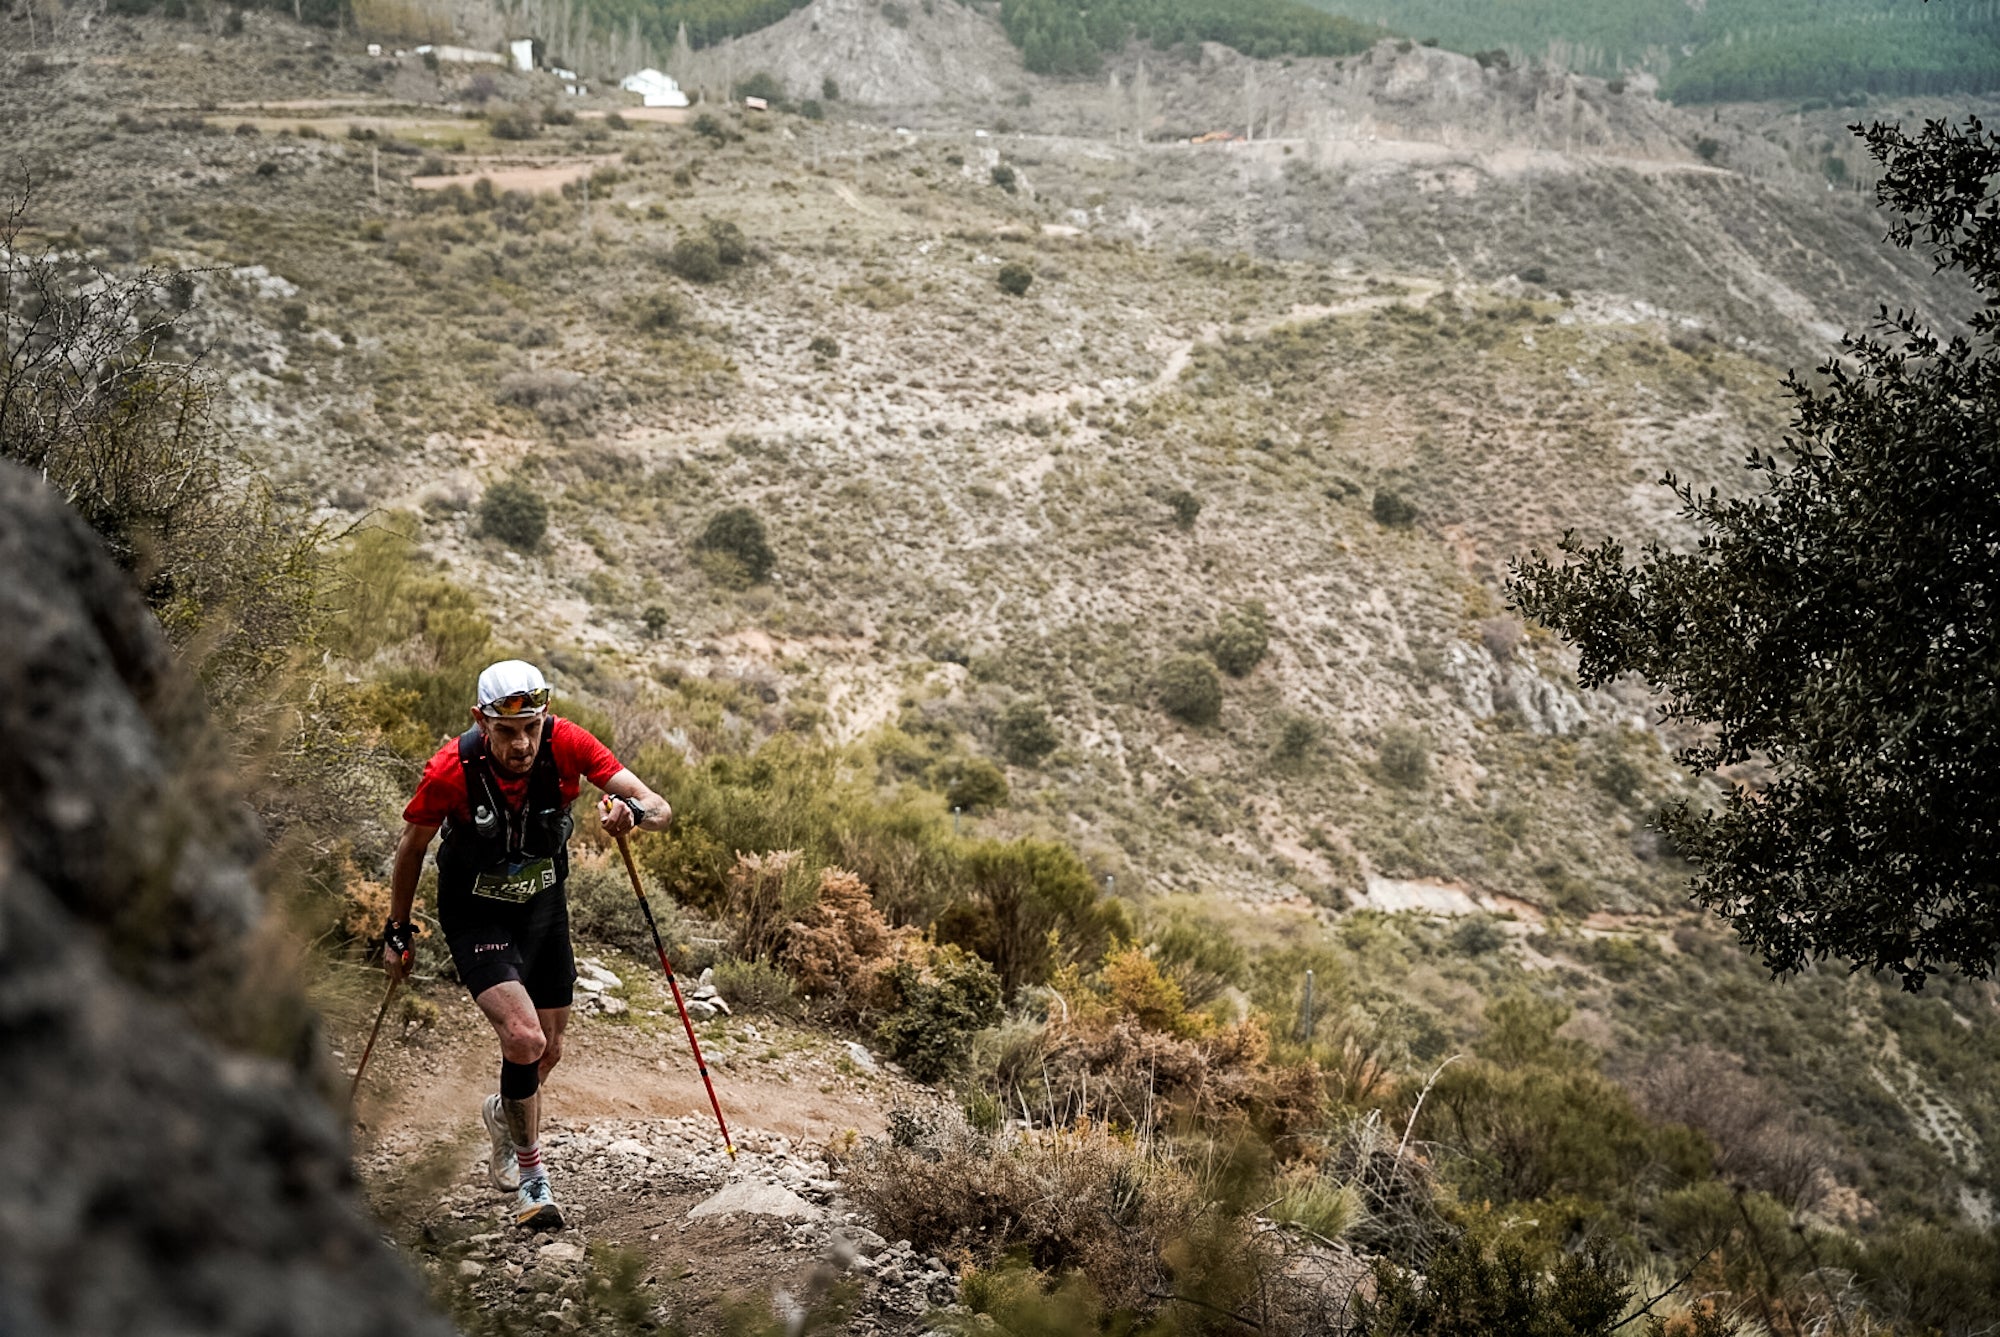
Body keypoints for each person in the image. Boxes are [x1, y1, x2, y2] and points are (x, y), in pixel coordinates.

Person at [381, 660, 672, 1229]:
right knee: (524, 1036)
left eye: (532, 727)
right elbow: (412, 848)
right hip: (475, 912)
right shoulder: (450, 769)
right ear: (481, 721)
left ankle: (504, 1112)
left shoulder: (567, 744)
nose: (522, 743)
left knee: (550, 1051)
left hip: (542, 906)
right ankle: (532, 1178)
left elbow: (660, 807)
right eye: (508, 731)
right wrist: (397, 928)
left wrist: (631, 812)